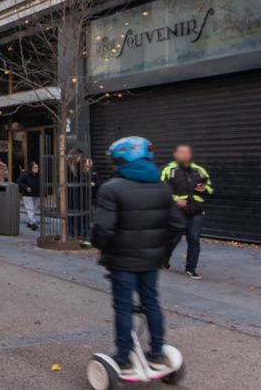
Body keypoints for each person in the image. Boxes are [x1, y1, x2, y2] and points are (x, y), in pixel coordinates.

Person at [92, 136, 184, 380]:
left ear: (120, 160)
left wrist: (99, 246)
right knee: (151, 302)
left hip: (121, 260)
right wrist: (163, 252)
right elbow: (177, 225)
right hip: (152, 260)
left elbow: (103, 229)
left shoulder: (111, 188)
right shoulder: (163, 187)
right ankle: (157, 353)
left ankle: (123, 358)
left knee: (123, 306)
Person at [161, 145, 212, 279]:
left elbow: (210, 188)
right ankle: (164, 258)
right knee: (174, 238)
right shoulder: (168, 169)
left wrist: (204, 189)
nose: (185, 155)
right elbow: (160, 189)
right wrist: (175, 199)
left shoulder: (199, 170)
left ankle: (191, 268)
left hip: (196, 210)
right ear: (175, 154)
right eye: (181, 152)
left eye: (187, 152)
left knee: (194, 238)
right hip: (176, 210)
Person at [16, 161, 41, 231]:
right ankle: (33, 223)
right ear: (31, 168)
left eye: (37, 167)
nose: (37, 169)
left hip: (37, 194)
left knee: (34, 209)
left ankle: (30, 222)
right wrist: (26, 187)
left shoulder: (39, 175)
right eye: (35, 167)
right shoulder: (25, 175)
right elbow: (19, 182)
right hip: (28, 195)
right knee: (30, 209)